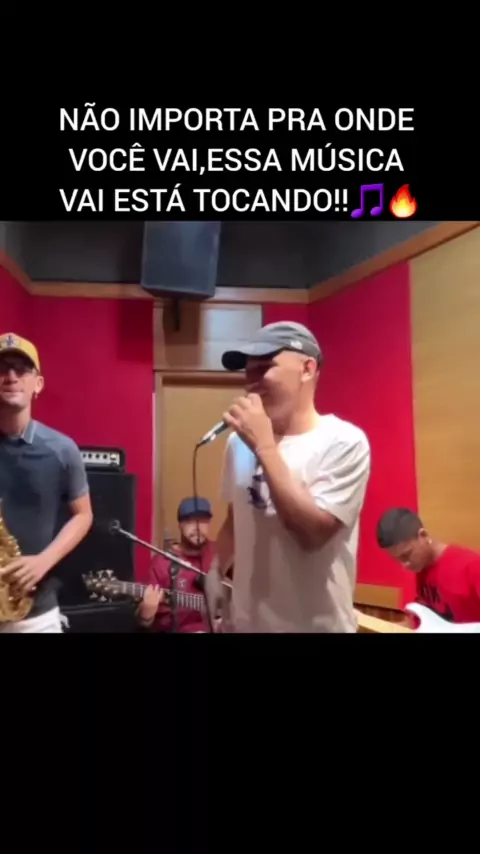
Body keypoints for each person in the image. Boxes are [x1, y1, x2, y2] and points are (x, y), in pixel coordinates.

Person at [205, 320, 371, 633]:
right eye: (248, 372)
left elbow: (312, 535)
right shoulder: (238, 443)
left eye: (264, 368)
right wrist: (216, 568)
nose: (252, 383)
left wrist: (265, 446)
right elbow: (235, 518)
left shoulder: (344, 442)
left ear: (307, 369)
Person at [0, 332, 93, 633]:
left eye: (21, 369)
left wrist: (44, 560)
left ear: (37, 384)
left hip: (36, 616)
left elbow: (84, 514)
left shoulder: (62, 449)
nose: (11, 376)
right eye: (2, 368)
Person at [376, 507, 480, 624]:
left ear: (423, 535)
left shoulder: (472, 567)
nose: (404, 565)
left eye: (407, 555)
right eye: (398, 559)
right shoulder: (420, 569)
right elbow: (414, 623)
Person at [137, 497, 216, 632]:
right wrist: (146, 614)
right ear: (180, 525)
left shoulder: (220, 553)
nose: (198, 527)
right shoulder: (162, 563)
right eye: (190, 520)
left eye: (203, 520)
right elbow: (144, 623)